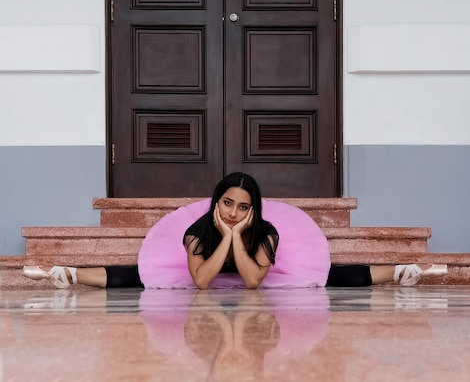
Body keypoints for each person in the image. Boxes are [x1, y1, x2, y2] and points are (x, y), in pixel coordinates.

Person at [22, 172, 448, 290]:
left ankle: (404, 271)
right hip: (206, 265)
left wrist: (235, 236)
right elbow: (203, 283)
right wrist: (223, 236)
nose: (232, 211)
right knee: (139, 277)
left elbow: (250, 282)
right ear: (215, 202)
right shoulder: (195, 230)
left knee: (331, 275)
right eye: (227, 203)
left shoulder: (265, 233)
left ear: (253, 210)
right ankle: (67, 273)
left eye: (243, 207)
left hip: (248, 265)